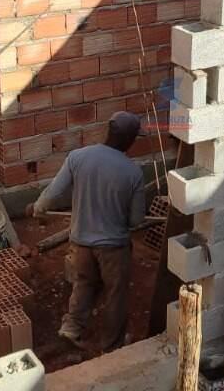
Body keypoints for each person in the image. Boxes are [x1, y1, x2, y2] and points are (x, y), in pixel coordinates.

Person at [24, 111, 147, 352]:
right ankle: (111, 346)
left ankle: (71, 328)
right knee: (115, 295)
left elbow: (53, 192)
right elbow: (136, 220)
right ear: (130, 139)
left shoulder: (78, 157)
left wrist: (38, 208)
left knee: (84, 284)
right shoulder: (133, 173)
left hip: (80, 242)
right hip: (113, 248)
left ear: (108, 131)